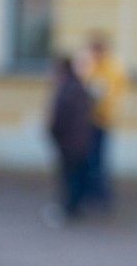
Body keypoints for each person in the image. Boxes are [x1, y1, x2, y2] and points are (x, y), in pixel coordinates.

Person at [44, 54, 95, 225]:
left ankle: (69, 209)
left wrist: (53, 133)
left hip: (70, 142)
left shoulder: (67, 89)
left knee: (70, 177)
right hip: (77, 141)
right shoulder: (77, 87)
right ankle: (73, 207)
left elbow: (60, 118)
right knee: (74, 176)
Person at [81, 30, 128, 212]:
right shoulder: (93, 66)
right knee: (90, 160)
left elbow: (110, 96)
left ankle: (102, 198)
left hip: (101, 120)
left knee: (98, 160)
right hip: (89, 121)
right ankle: (93, 194)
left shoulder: (112, 68)